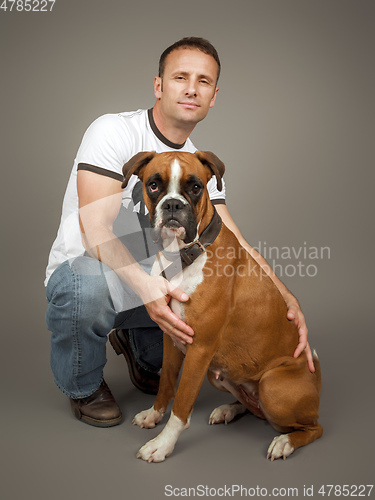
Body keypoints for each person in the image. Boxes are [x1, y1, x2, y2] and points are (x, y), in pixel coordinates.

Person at [45, 37, 313, 428]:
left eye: (203, 81)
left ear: (214, 95)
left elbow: (235, 243)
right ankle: (82, 386)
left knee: (178, 346)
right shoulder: (113, 132)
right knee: (86, 289)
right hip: (92, 274)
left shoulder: (200, 167)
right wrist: (148, 290)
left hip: (162, 284)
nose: (191, 88)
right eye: (180, 77)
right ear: (159, 85)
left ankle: (136, 341)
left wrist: (289, 299)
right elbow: (94, 227)